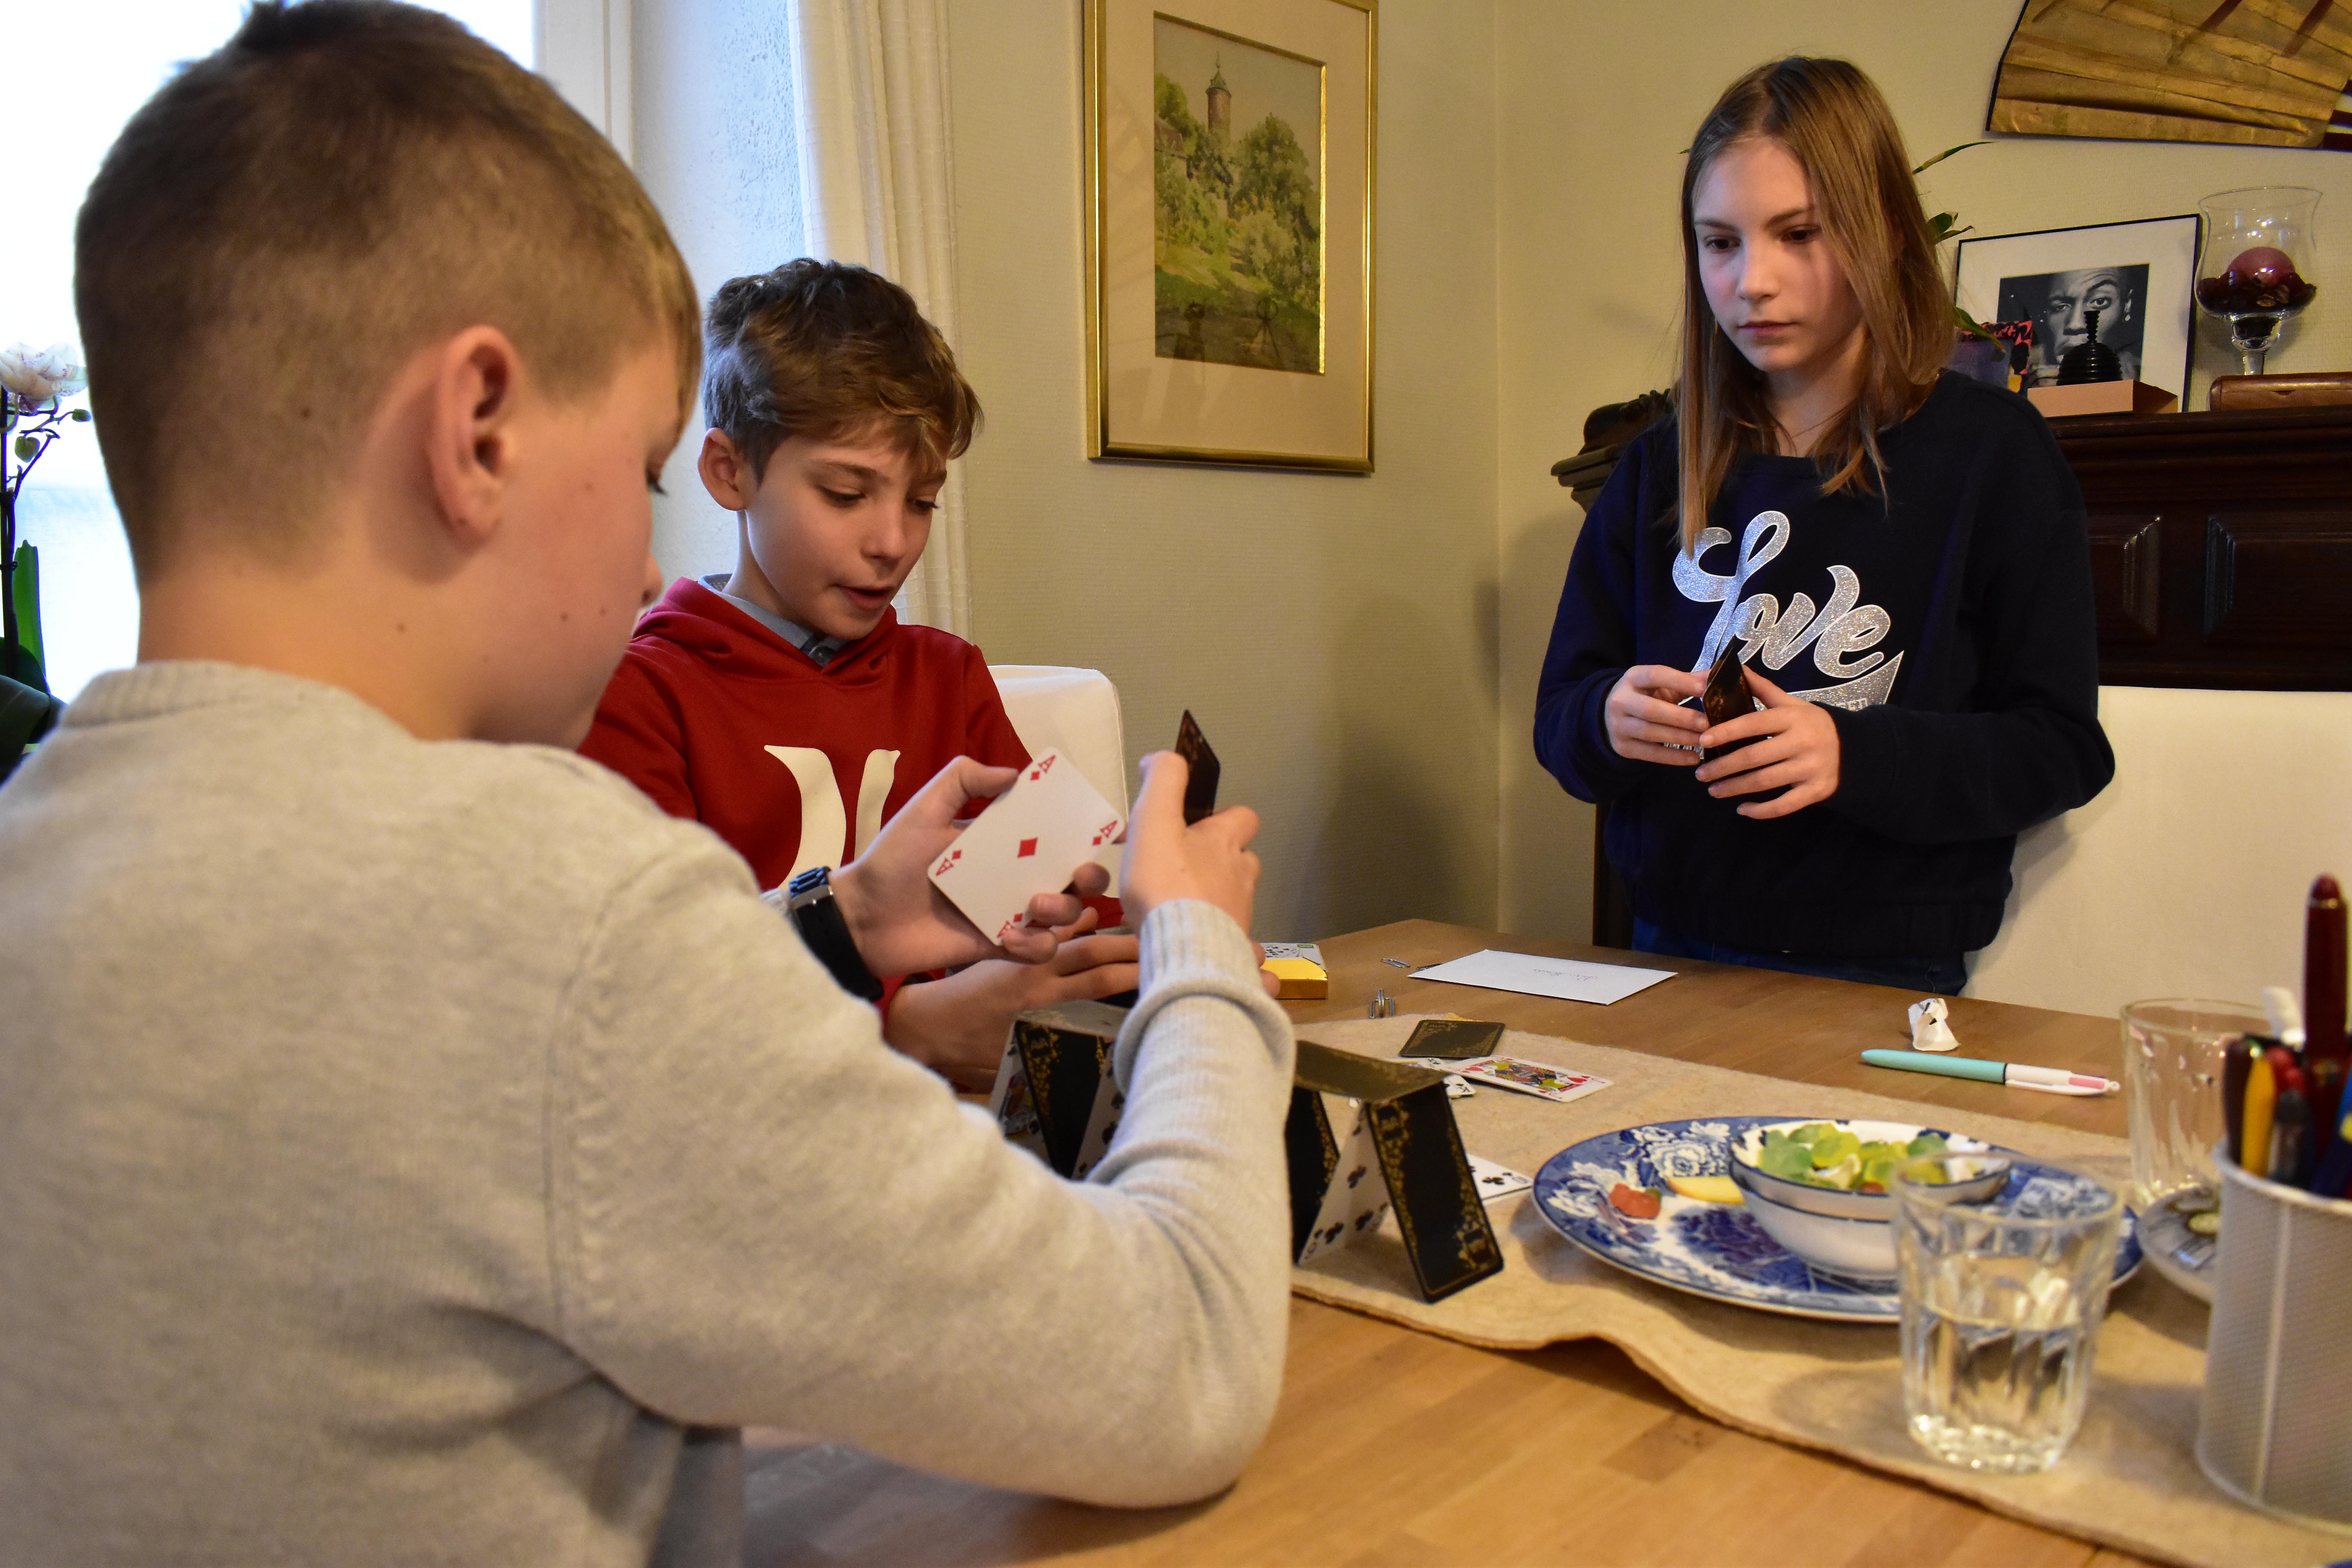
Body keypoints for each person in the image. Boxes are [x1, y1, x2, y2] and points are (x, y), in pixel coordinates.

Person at [0, 5, 1295, 1561]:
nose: (642, 544)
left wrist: (832, 922)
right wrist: (1202, 953)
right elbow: (1181, 1361)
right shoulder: (567, 918)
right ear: (475, 429)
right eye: (638, 470)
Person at [1533, 56, 2114, 996]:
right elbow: (1561, 720)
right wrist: (1606, 718)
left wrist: (1853, 751)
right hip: (1664, 946)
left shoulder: (1991, 456)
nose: (1751, 282)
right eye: (1719, 243)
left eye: (1798, 234)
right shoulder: (1653, 467)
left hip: (1884, 966)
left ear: (1884, 232)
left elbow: (2061, 746)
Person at [579, 260, 1137, 1089]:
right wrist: (903, 1028)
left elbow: (1063, 913)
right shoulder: (638, 694)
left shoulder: (946, 675)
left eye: (922, 500)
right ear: (730, 472)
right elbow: (642, 1008)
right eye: (846, 493)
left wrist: (1122, 949)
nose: (893, 542)